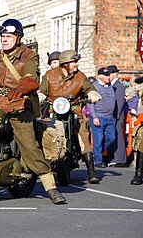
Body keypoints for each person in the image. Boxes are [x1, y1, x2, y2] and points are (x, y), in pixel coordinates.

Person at [0, 18, 66, 204]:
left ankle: (50, 186)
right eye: (2, 36)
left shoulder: (29, 55)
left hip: (19, 101)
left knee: (28, 143)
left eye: (8, 36)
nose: (4, 39)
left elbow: (31, 76)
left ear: (18, 38)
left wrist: (24, 85)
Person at [39, 50, 101, 184]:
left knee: (82, 133)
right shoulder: (50, 75)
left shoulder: (80, 76)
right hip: (52, 110)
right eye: (73, 63)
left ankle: (91, 172)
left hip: (74, 110)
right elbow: (42, 90)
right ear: (65, 64)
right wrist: (40, 95)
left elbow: (88, 87)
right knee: (41, 130)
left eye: (76, 62)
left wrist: (93, 94)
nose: (76, 65)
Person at [87, 67, 116, 168]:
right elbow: (90, 104)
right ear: (99, 76)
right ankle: (97, 160)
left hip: (110, 117)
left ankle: (96, 153)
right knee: (98, 139)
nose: (108, 77)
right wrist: (94, 117)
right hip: (99, 117)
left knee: (111, 138)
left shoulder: (110, 87)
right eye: (106, 75)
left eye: (108, 75)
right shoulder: (95, 87)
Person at [107, 65, 128, 167]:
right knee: (113, 137)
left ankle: (120, 159)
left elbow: (119, 102)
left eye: (109, 74)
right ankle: (114, 158)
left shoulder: (119, 86)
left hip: (117, 116)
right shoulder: (111, 85)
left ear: (114, 74)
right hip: (112, 115)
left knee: (119, 137)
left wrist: (115, 117)